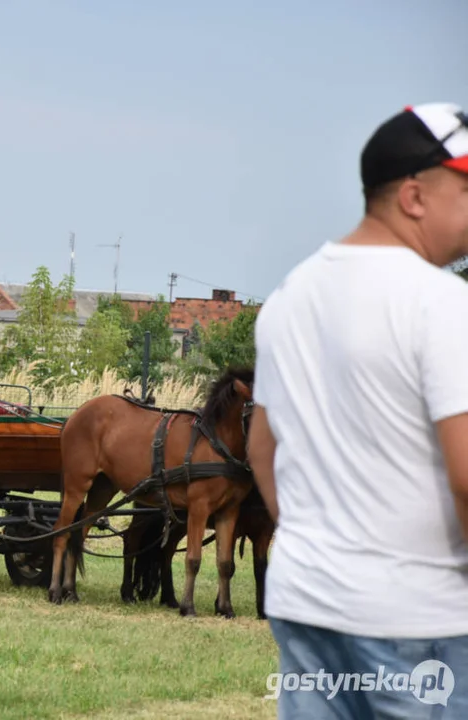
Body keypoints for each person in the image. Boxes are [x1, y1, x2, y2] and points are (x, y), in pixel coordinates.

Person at [249, 102, 468, 718]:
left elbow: (262, 450)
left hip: (306, 604)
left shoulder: (290, 297)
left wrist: (324, 552)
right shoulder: (443, 303)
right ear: (416, 196)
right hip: (420, 615)